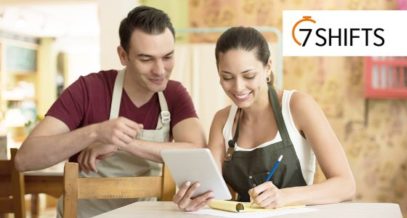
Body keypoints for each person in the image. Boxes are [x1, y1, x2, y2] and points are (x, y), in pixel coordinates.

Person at [14, 6, 206, 217]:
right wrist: (95, 133)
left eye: (167, 57)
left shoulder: (174, 94)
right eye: (146, 59)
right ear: (123, 55)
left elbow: (197, 151)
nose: (160, 70)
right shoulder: (88, 89)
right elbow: (25, 159)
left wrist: (124, 143)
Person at [173, 26, 356, 211]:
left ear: (268, 67)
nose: (238, 87)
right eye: (227, 77)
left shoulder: (298, 106)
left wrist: (284, 196)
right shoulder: (221, 120)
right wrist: (195, 198)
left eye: (248, 76)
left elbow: (346, 185)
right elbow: (217, 193)